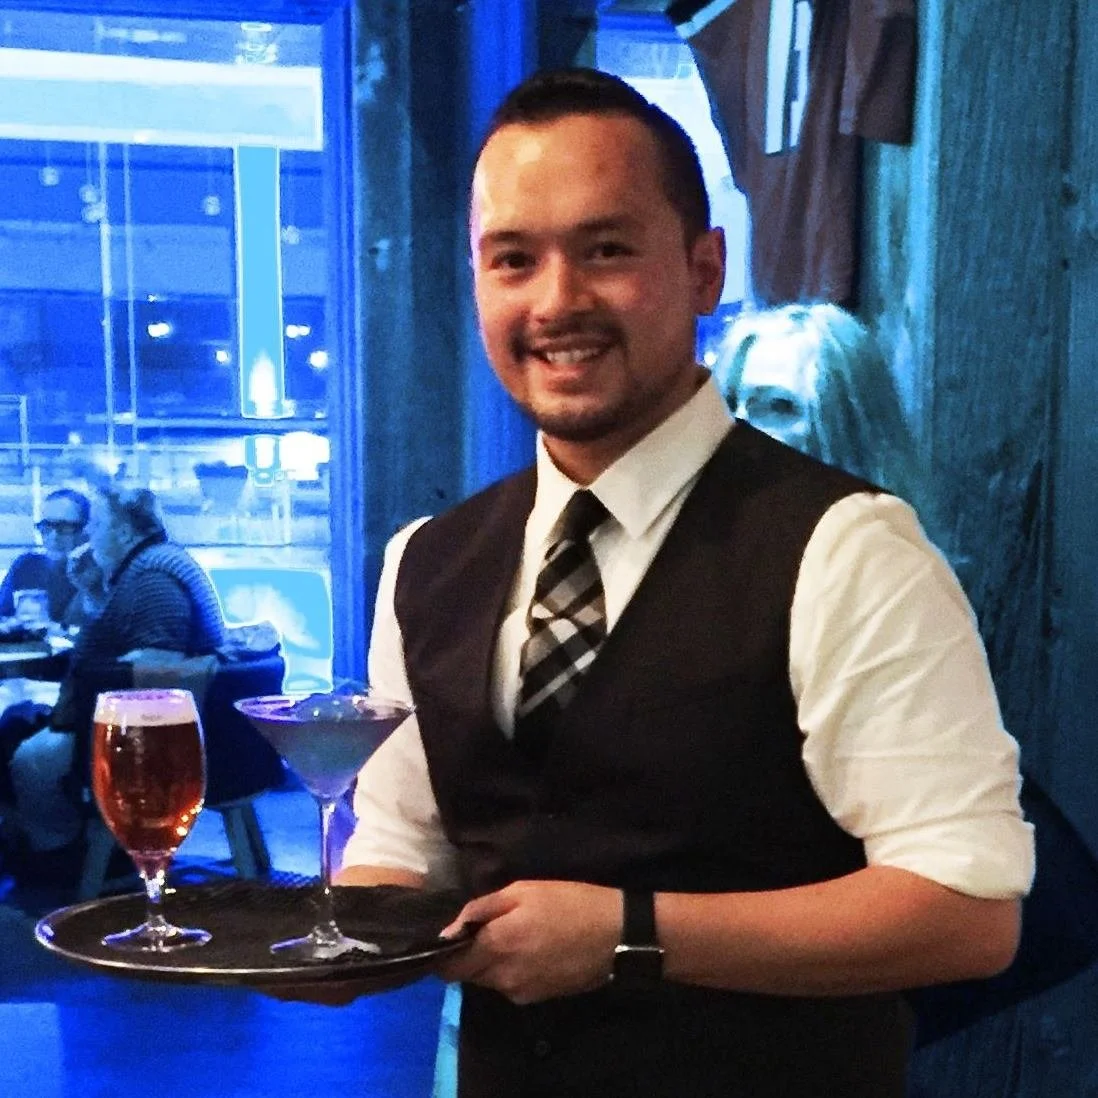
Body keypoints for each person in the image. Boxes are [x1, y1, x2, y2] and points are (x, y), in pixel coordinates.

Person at [323, 68, 1033, 1097]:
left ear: (705, 270)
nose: (556, 301)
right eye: (513, 259)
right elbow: (403, 845)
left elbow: (966, 914)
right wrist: (329, 941)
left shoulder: (848, 549)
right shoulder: (426, 561)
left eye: (606, 250)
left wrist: (632, 936)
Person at [2, 483, 225, 880]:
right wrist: (92, 589)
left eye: (97, 525)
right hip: (126, 717)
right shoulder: (149, 565)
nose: (89, 535)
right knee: (17, 721)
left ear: (123, 531)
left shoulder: (153, 579)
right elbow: (121, 634)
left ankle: (60, 855)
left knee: (27, 756)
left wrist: (86, 686)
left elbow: (158, 665)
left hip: (140, 739)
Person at [0, 487, 92, 626]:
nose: (53, 537)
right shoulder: (26, 566)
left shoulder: (96, 578)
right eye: (46, 527)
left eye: (65, 527)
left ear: (86, 531)